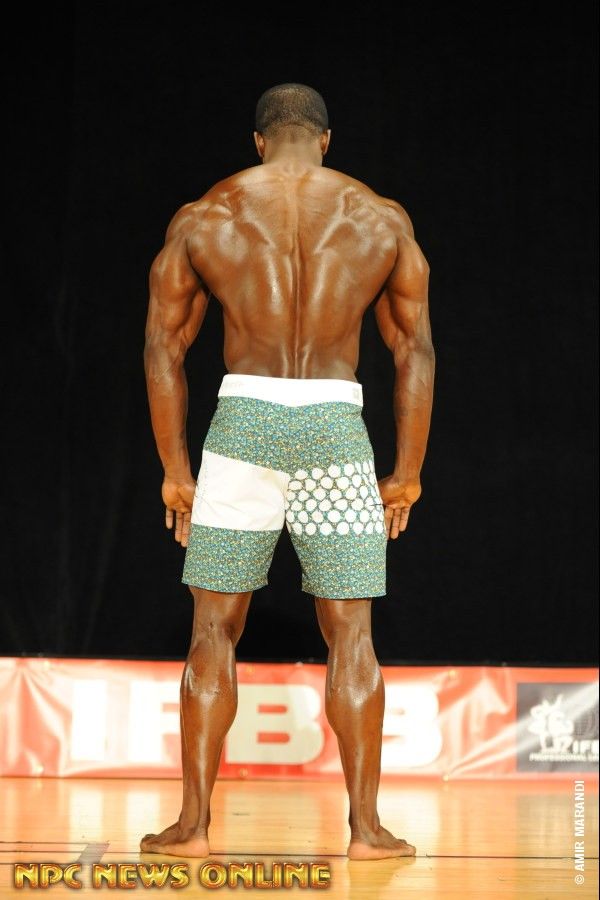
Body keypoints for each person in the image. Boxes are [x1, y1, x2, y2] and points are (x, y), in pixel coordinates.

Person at [142, 83, 434, 860]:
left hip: (243, 425)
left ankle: (193, 827)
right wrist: (407, 470)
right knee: (352, 636)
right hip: (336, 431)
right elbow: (415, 350)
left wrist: (175, 469)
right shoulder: (379, 218)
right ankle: (367, 830)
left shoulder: (209, 215)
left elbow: (164, 348)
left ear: (259, 141)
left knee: (213, 629)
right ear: (326, 140)